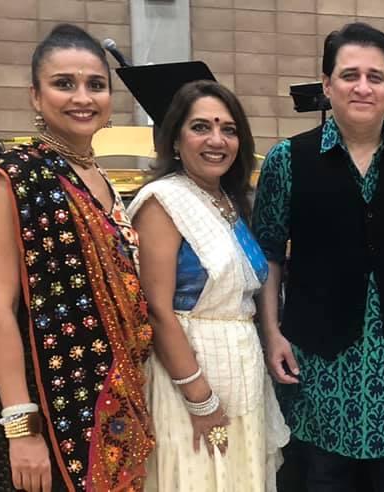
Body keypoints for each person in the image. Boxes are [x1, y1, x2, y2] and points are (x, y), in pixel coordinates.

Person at [253, 22, 384, 491]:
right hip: (317, 360)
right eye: (349, 75)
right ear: (327, 84)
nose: (363, 87)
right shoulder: (287, 160)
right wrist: (271, 332)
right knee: (321, 479)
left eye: (375, 77)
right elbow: (268, 253)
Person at [0, 24, 153, 491]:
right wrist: (22, 428)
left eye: (96, 85)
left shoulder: (100, 175)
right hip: (50, 401)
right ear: (36, 96)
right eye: (64, 83)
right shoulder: (17, 177)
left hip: (117, 396)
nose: (83, 97)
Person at [128, 80, 289, 491]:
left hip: (242, 374)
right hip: (189, 381)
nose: (217, 140)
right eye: (201, 127)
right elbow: (157, 310)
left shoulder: (230, 201)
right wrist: (200, 397)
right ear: (175, 139)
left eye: (228, 129)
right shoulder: (162, 201)